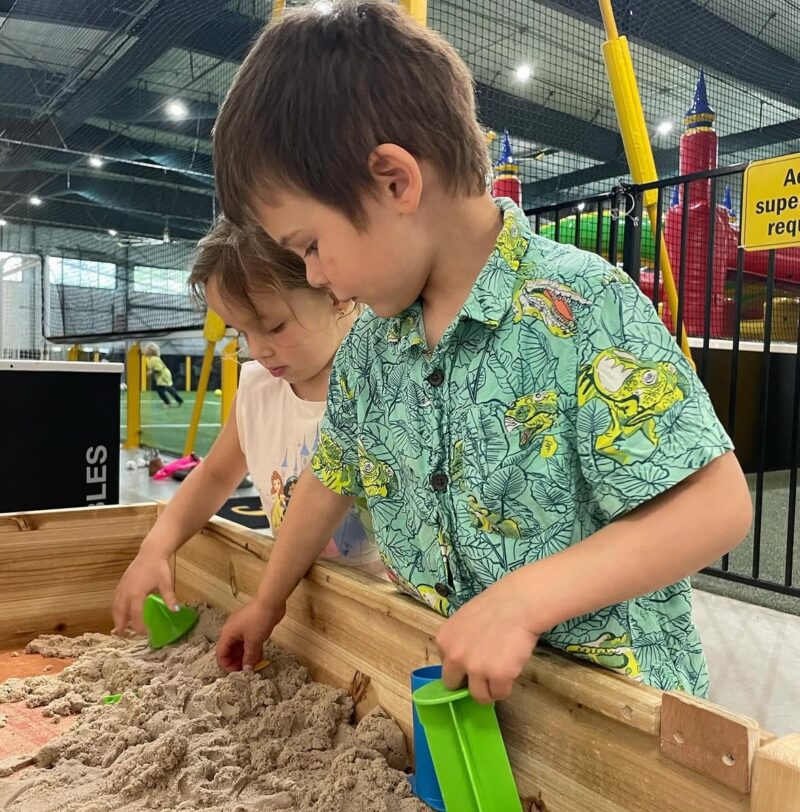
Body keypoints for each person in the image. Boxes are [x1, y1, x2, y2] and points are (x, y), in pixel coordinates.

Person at [211, 0, 752, 703]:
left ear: (395, 181)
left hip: (613, 704)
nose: (313, 275)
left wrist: (525, 600)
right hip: (473, 697)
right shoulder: (371, 345)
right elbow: (331, 476)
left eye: (311, 245)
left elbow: (716, 506)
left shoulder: (580, 304)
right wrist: (269, 599)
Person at [112, 218, 383, 635]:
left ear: (334, 292)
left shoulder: (381, 384)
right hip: (294, 604)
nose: (258, 349)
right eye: (242, 331)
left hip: (381, 610)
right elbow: (215, 474)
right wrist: (156, 547)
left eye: (274, 326)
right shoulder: (258, 387)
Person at [142, 342, 183, 407]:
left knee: (163, 389)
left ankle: (169, 402)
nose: (144, 350)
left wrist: (151, 371)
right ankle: (178, 400)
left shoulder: (153, 359)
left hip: (163, 375)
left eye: (146, 349)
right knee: (167, 388)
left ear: (151, 351)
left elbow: (159, 368)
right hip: (162, 375)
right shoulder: (150, 358)